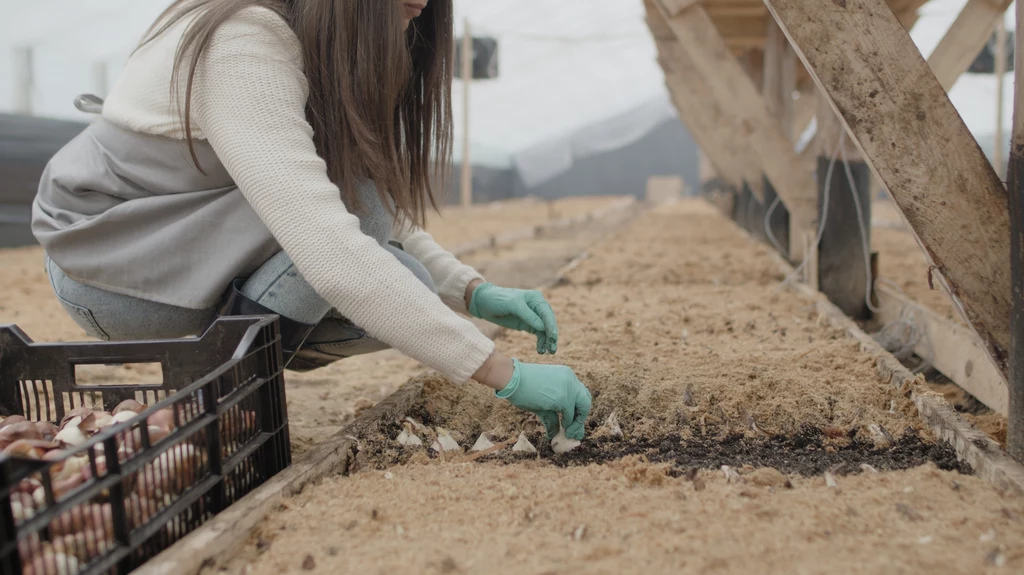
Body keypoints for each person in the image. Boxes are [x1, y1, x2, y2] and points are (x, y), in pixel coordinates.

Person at [31, 0, 591, 441]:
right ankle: (225, 395)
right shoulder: (244, 41)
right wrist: (501, 373)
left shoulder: (302, 35)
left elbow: (350, 207)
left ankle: (231, 377)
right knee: (361, 235)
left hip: (172, 248)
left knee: (405, 280)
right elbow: (331, 240)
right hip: (108, 275)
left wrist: (472, 291)